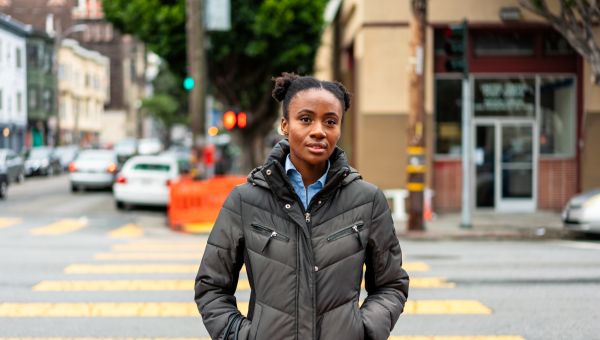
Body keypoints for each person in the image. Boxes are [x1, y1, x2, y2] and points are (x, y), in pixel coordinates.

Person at [194, 72, 409, 340]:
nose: (319, 131)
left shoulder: (367, 200)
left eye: (330, 121)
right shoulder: (245, 200)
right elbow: (211, 286)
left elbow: (391, 284)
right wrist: (243, 336)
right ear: (285, 125)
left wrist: (363, 331)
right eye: (305, 119)